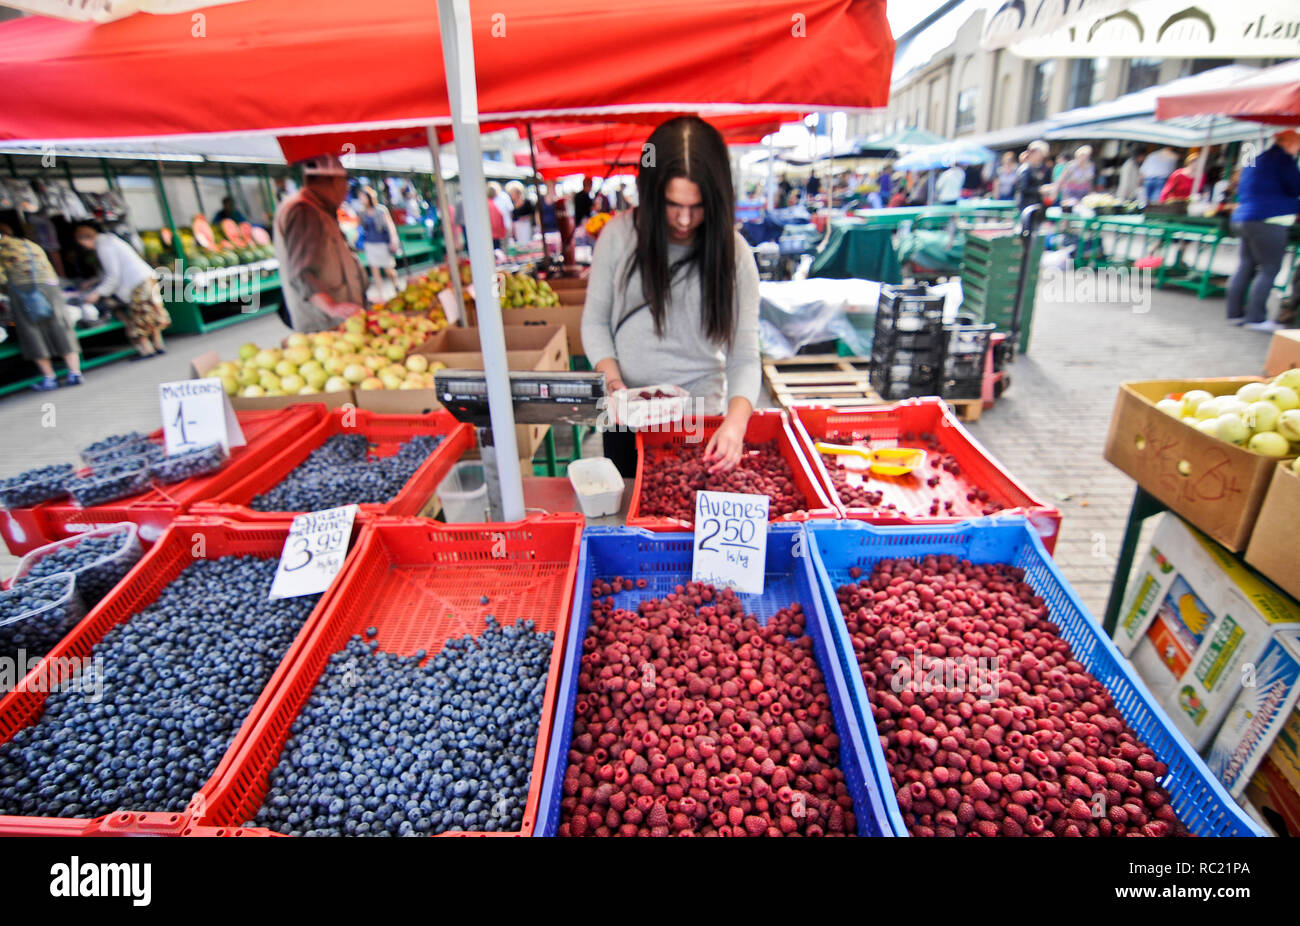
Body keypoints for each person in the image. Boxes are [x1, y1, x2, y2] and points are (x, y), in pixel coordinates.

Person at [581, 115, 761, 478]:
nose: (683, 220)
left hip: (699, 422)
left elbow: (744, 353)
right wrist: (614, 385)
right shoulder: (617, 237)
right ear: (651, 191)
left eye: (697, 207)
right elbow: (595, 322)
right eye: (672, 205)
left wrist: (736, 423)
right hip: (625, 419)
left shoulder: (735, 254)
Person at [272, 154, 367, 333]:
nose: (346, 190)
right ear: (334, 182)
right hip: (325, 325)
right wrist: (331, 306)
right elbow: (302, 272)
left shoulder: (318, 209)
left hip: (340, 322)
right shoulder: (304, 211)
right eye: (345, 182)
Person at [1226, 130, 1300, 331]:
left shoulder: (1257, 159)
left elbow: (1242, 187)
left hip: (1244, 217)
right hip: (1268, 220)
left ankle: (1235, 314)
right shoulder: (1284, 160)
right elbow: (1296, 187)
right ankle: (1256, 319)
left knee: (1246, 265)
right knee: (1269, 268)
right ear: (1288, 143)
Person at [0, 221, 83, 390]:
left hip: (22, 290)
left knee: (31, 331)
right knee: (60, 326)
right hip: (50, 287)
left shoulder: (2, 248)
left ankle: (49, 378)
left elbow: (1, 278)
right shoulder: (31, 244)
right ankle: (75, 373)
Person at [73, 221, 170, 359]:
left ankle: (147, 349)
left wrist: (97, 293)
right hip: (147, 278)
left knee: (138, 315)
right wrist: (94, 281)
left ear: (84, 239)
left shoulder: (104, 246)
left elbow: (113, 275)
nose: (85, 248)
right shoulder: (110, 240)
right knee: (151, 312)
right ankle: (158, 345)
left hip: (137, 283)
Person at [357, 186, 401, 295]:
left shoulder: (381, 210)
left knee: (388, 269)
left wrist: (393, 240)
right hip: (370, 244)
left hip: (382, 243)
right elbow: (359, 228)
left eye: (363, 197)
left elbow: (390, 226)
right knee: (374, 270)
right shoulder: (362, 213)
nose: (362, 200)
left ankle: (395, 284)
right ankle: (380, 294)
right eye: (360, 197)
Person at [1014, 140, 1051, 216]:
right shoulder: (1025, 169)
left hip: (1037, 205)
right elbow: (1023, 188)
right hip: (1026, 206)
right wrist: (1039, 190)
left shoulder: (1041, 168)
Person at [506, 181, 533, 245]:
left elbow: (531, 214)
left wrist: (523, 218)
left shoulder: (527, 202)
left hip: (525, 225)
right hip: (516, 227)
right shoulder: (511, 204)